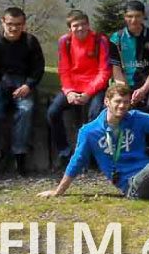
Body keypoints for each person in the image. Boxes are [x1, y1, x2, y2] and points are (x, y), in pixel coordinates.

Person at [0, 7, 45, 177]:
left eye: (18, 24)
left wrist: (29, 85)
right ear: (3, 22)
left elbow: (38, 67)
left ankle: (20, 155)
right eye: (10, 24)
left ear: (24, 24)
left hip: (22, 82)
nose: (14, 28)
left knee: (26, 110)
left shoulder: (30, 42)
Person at [48, 10, 112, 166]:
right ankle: (64, 152)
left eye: (84, 24)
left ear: (89, 25)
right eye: (76, 26)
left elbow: (104, 72)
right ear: (70, 28)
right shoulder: (65, 41)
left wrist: (88, 93)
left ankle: (92, 155)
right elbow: (64, 69)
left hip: (95, 87)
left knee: (95, 114)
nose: (80, 28)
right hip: (73, 87)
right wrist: (69, 91)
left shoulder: (100, 40)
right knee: (53, 112)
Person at [109, 0, 149, 116]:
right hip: (124, 83)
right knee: (117, 107)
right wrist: (126, 91)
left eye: (137, 16)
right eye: (130, 16)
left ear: (144, 16)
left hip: (148, 84)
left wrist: (143, 90)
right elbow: (116, 69)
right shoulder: (116, 38)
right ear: (124, 17)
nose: (133, 20)